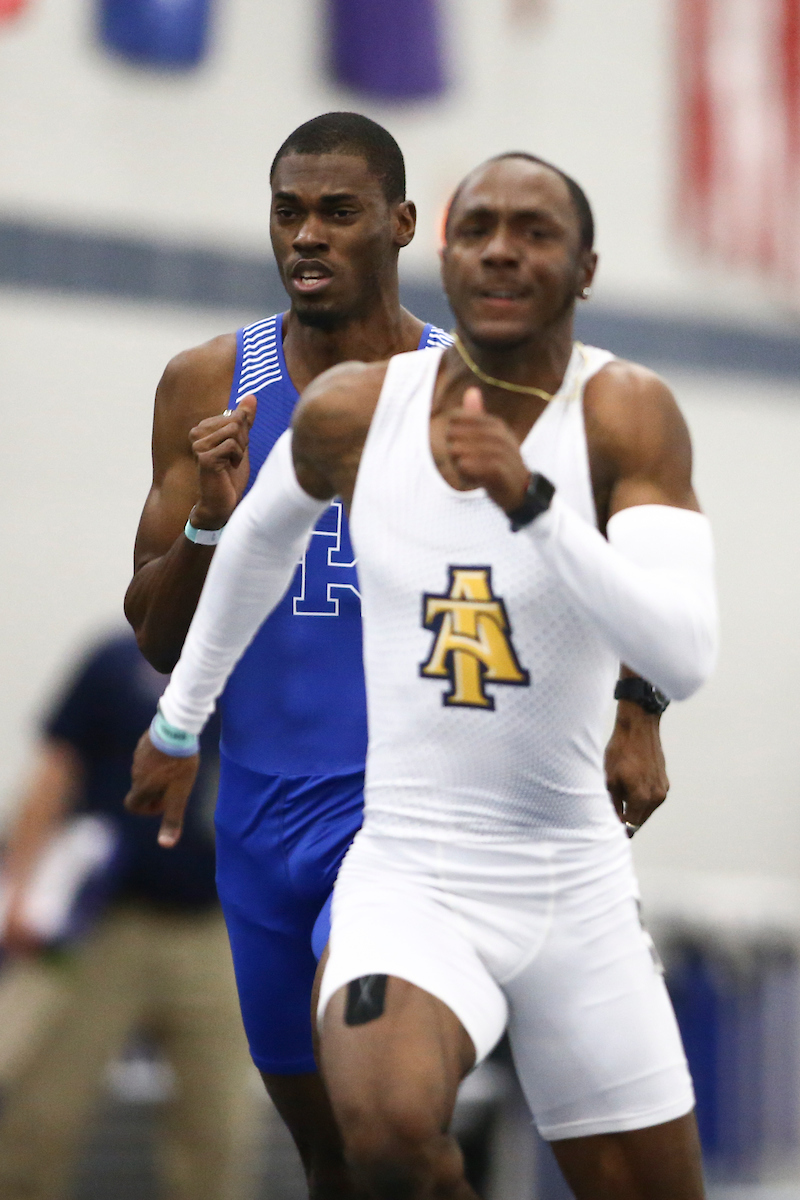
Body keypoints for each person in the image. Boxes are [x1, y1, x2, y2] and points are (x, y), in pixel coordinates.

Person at [125, 117, 674, 1199]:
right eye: (288, 212)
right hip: (259, 831)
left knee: (387, 1125)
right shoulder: (206, 386)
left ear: (402, 225)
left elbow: (626, 539)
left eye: (338, 211)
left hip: (409, 825)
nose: (306, 237)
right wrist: (210, 527)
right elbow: (155, 634)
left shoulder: (472, 382)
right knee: (335, 1159)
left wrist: (636, 707)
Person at [0, 628, 255, 1200]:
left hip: (212, 928)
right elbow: (56, 771)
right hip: (105, 923)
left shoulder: (251, 669)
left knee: (219, 1126)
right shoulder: (116, 663)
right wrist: (17, 888)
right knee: (42, 1106)